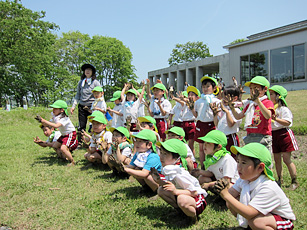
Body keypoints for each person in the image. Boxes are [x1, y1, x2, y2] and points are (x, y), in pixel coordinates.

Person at [215, 143, 295, 229]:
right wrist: (224, 187)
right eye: (238, 161)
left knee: (256, 222)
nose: (238, 167)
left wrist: (226, 195)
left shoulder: (267, 187)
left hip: (281, 220)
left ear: (260, 168)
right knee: (232, 202)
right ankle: (248, 227)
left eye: (243, 163)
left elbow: (249, 213)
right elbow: (231, 194)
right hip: (263, 215)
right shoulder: (245, 179)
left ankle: (253, 226)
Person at [154, 139, 208, 225]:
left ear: (177, 159)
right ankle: (182, 212)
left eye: (165, 154)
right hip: (184, 195)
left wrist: (175, 191)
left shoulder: (180, 174)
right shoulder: (169, 169)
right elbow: (168, 184)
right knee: (161, 190)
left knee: (181, 199)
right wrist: (157, 179)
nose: (161, 157)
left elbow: (194, 192)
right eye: (161, 152)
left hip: (196, 200)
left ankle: (192, 218)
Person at [227, 76, 275, 153]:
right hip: (250, 135)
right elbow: (238, 116)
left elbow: (268, 115)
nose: (253, 92)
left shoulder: (267, 102)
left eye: (256, 88)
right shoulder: (251, 104)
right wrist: (232, 108)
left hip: (263, 137)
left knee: (263, 159)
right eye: (251, 89)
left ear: (265, 89)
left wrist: (258, 102)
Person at [269, 85, 299, 190]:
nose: (269, 95)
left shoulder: (284, 109)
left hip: (284, 134)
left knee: (286, 159)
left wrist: (275, 119)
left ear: (278, 96)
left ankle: (294, 180)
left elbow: (287, 122)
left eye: (272, 94)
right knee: (277, 159)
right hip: (273, 135)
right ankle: (279, 179)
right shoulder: (270, 109)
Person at [190, 76, 220, 169]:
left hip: (211, 125)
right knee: (202, 147)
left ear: (214, 88)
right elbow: (196, 115)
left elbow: (217, 118)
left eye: (208, 86)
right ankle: (203, 166)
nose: (205, 89)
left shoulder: (216, 101)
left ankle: (212, 165)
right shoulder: (199, 101)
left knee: (212, 147)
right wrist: (192, 109)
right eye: (203, 87)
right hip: (200, 125)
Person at [39, 100, 78, 166]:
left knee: (63, 148)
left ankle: (72, 161)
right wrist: (41, 121)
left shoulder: (64, 118)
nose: (53, 110)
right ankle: (63, 157)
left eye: (55, 108)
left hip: (70, 134)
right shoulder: (56, 117)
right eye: (53, 108)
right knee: (55, 146)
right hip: (64, 134)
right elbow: (48, 123)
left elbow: (56, 126)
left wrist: (44, 121)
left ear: (62, 110)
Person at [71, 64, 100, 147]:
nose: (87, 71)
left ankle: (93, 142)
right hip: (82, 106)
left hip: (92, 107)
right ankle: (80, 142)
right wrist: (73, 106)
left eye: (89, 70)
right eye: (86, 70)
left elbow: (100, 96)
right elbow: (77, 95)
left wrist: (99, 108)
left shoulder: (95, 83)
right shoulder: (81, 82)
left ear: (92, 72)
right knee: (81, 125)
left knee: (93, 125)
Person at [211, 86, 242, 154]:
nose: (224, 99)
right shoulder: (222, 109)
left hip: (230, 137)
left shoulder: (236, 110)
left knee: (233, 156)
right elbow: (216, 124)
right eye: (223, 96)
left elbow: (231, 124)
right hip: (221, 137)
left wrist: (227, 112)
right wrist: (215, 114)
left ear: (235, 98)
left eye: (227, 97)